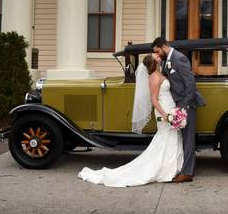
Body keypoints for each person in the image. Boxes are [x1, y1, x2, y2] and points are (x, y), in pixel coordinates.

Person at [77, 53, 183, 187]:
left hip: (169, 107)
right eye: (155, 55)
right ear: (154, 63)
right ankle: (166, 169)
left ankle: (171, 167)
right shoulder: (155, 77)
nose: (158, 55)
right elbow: (153, 99)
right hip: (164, 109)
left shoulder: (158, 74)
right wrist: (165, 114)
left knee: (171, 137)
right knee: (166, 137)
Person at [152, 35, 205, 183]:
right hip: (177, 104)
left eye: (157, 51)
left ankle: (187, 173)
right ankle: (183, 168)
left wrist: (184, 106)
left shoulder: (179, 58)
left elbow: (190, 84)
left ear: (163, 47)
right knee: (183, 138)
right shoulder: (166, 61)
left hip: (186, 104)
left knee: (188, 139)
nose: (157, 54)